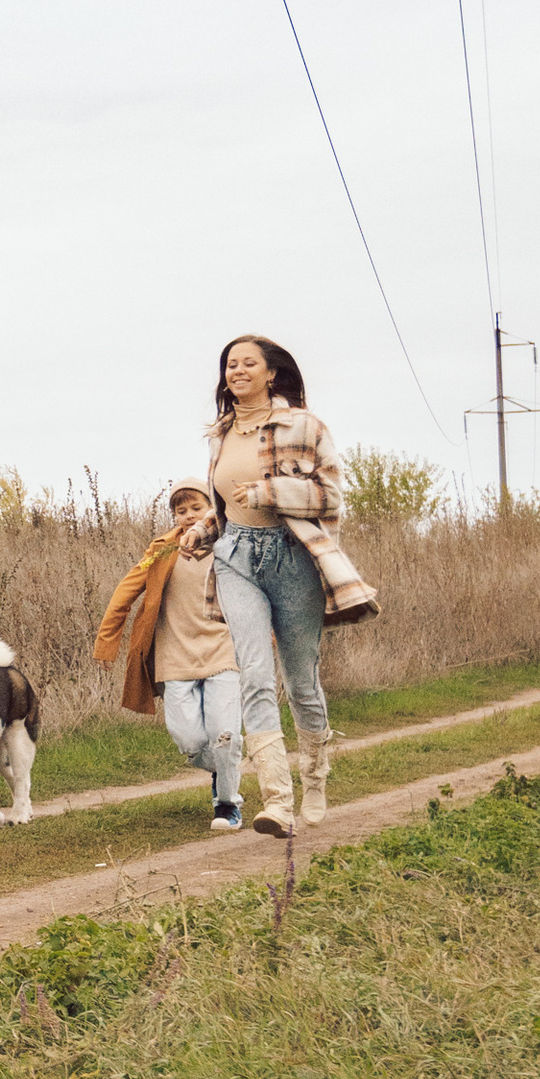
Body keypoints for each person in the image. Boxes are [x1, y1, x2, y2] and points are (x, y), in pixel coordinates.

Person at [181, 336, 378, 837]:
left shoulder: (305, 426)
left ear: (272, 374)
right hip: (236, 557)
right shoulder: (221, 433)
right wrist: (202, 531)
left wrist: (269, 491)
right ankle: (276, 801)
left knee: (301, 681)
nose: (237, 370)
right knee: (254, 673)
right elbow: (225, 506)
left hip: (292, 556)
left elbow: (330, 495)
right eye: (231, 364)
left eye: (249, 363)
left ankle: (315, 777)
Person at [94, 480, 246, 831]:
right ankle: (223, 768)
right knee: (190, 741)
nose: (189, 515)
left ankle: (227, 804)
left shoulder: (230, 544)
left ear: (211, 507)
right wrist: (107, 642)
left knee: (226, 735)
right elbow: (125, 592)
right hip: (174, 657)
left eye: (196, 507)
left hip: (223, 650)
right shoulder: (163, 550)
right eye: (181, 510)